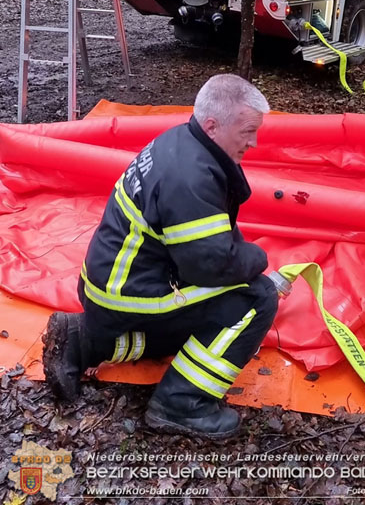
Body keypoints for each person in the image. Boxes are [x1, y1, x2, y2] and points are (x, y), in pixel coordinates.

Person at [42, 74, 278, 439]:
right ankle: (182, 404)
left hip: (111, 282)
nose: (254, 142)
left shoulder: (182, 143)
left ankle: (83, 340)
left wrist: (238, 254)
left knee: (203, 315)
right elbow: (210, 264)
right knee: (256, 298)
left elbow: (207, 238)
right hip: (128, 292)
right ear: (213, 125)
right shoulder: (191, 176)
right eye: (247, 131)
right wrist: (258, 259)